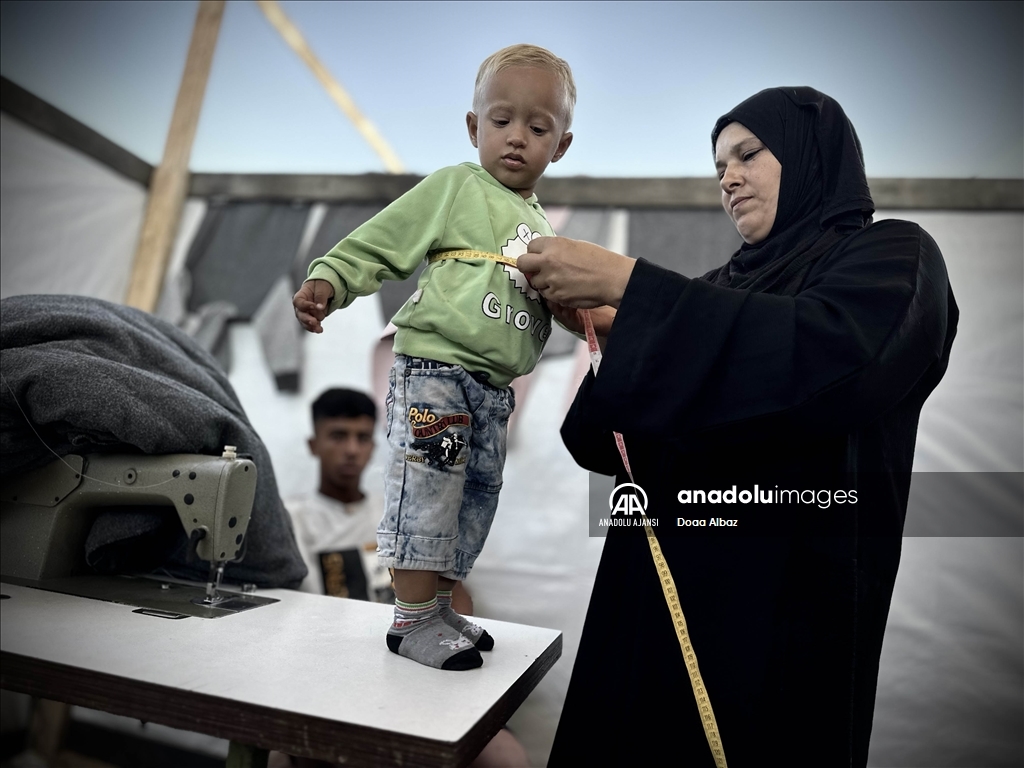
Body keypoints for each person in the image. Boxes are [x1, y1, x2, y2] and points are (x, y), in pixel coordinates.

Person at [518, 87, 959, 766]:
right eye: (718, 165)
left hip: (780, 623)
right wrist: (618, 337)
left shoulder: (893, 257)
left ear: (811, 154)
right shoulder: (714, 287)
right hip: (648, 611)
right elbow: (597, 444)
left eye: (748, 153)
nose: (728, 177)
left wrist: (636, 289)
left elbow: (831, 359)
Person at [292, 44, 575, 671]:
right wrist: (331, 279)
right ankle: (410, 620)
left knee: (475, 495)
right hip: (436, 374)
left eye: (538, 126)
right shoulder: (456, 187)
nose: (516, 138)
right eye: (501, 121)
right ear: (474, 127)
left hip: (494, 390)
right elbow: (383, 240)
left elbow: (570, 308)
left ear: (561, 145)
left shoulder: (546, 234)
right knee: (427, 486)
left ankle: (440, 607)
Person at [277, 388, 529, 767]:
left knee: (507, 759)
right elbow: (288, 622)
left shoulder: (399, 512)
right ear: (314, 445)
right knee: (279, 754)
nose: (351, 450)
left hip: (418, 671)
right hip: (335, 677)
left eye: (362, 437)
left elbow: (457, 597)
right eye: (338, 436)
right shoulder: (292, 520)